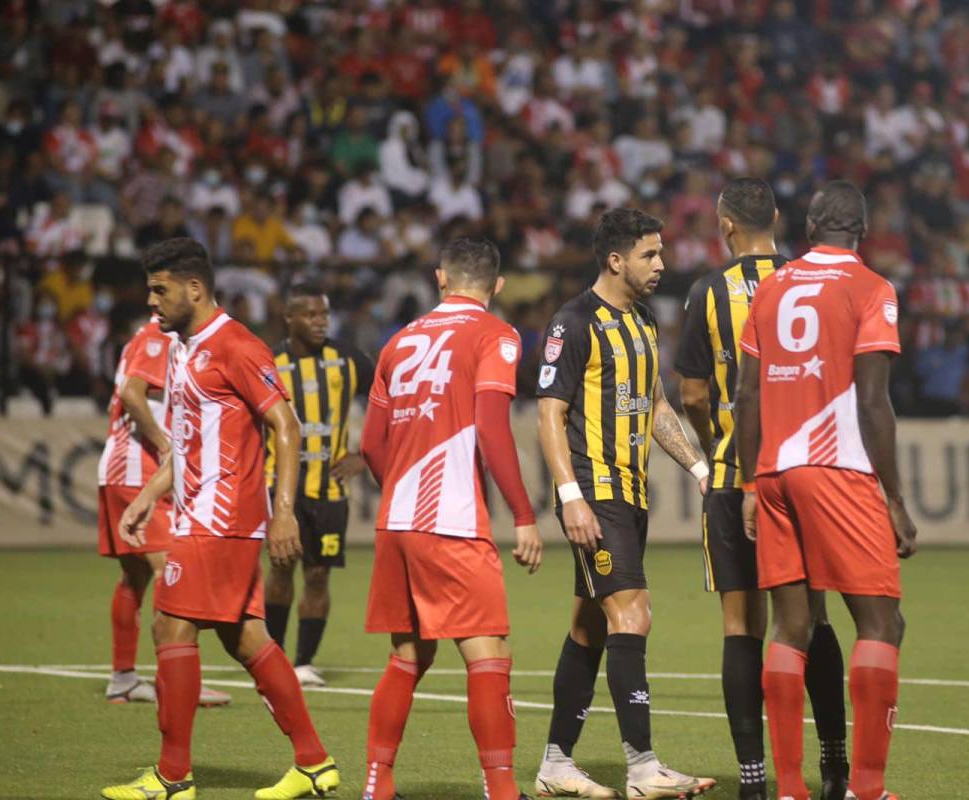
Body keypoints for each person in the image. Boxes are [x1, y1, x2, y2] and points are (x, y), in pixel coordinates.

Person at [100, 238, 340, 800]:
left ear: (194, 288)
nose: (152, 302)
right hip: (195, 509)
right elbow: (188, 444)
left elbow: (286, 425)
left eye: (160, 290)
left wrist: (283, 514)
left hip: (222, 514)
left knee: (170, 626)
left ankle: (172, 775)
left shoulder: (236, 344)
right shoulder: (183, 348)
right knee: (245, 637)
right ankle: (312, 762)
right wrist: (148, 496)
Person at [734, 181, 917, 800]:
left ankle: (790, 789)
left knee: (790, 627)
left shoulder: (772, 288)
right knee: (881, 623)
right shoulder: (872, 289)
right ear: (861, 230)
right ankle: (867, 790)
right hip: (836, 466)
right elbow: (872, 401)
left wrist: (750, 482)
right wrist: (894, 497)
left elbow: (747, 394)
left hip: (776, 472)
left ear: (808, 226)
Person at [675, 177, 849, 800]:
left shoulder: (708, 292)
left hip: (731, 477)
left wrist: (717, 435)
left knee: (740, 625)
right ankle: (835, 767)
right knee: (813, 619)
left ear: (724, 226)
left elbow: (693, 393)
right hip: (806, 471)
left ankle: (754, 780)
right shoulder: (817, 284)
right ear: (778, 217)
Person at [534, 207, 716, 800]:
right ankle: (643, 768)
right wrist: (571, 498)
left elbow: (658, 406)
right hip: (596, 494)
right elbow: (549, 415)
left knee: (588, 627)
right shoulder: (574, 322)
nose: (662, 265)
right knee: (633, 615)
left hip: (631, 495)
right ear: (616, 260)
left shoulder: (641, 321)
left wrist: (697, 465)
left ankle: (556, 765)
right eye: (650, 255)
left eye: (661, 254)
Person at [359, 237, 542, 800]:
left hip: (397, 519)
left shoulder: (398, 343)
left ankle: (377, 782)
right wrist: (524, 514)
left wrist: (402, 490)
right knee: (488, 655)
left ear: (441, 277)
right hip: (452, 518)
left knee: (408, 654)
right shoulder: (495, 335)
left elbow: (370, 445)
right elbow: (491, 428)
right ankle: (502, 788)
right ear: (499, 285)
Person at [97, 315, 231, 709]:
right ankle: (175, 682)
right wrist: (164, 443)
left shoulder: (152, 334)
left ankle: (123, 679)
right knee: (171, 568)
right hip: (137, 467)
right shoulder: (160, 335)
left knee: (135, 574)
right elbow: (133, 393)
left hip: (125, 467)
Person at [264, 282, 372, 687]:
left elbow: (390, 397)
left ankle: (303, 661)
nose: (320, 322)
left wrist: (365, 455)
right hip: (281, 487)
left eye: (324, 315)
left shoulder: (346, 359)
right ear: (289, 318)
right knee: (280, 569)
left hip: (330, 491)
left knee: (317, 575)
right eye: (310, 315)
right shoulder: (269, 362)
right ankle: (271, 657)